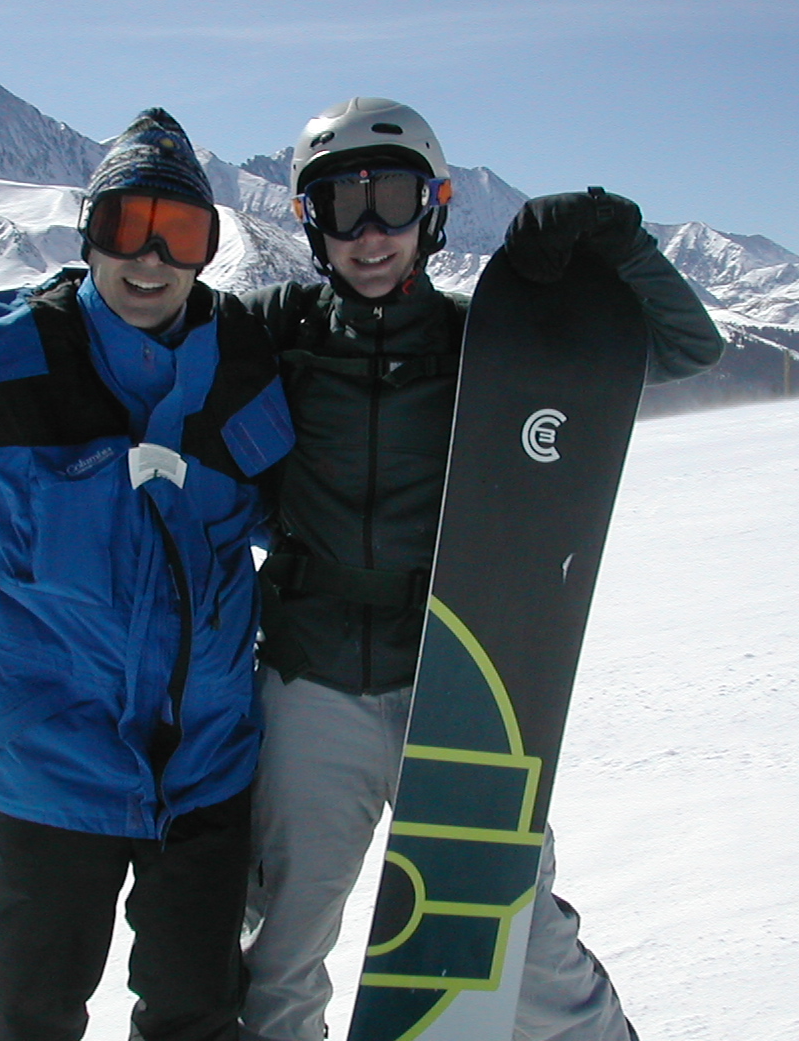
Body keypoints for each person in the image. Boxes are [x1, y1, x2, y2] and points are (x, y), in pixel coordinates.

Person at [238, 98, 724, 1041]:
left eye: (394, 198)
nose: (370, 231)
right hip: (313, 683)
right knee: (284, 940)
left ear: (435, 209)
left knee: (516, 930)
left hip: (459, 687)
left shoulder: (487, 342)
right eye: (343, 205)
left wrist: (617, 244)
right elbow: (146, 344)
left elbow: (683, 349)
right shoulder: (275, 336)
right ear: (310, 224)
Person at [0, 108, 295, 1041]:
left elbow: (288, 516)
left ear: (209, 247)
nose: (151, 258)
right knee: (25, 1015)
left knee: (199, 1014)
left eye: (182, 233)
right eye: (126, 226)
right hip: (46, 763)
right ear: (90, 232)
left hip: (204, 767)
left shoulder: (243, 364)